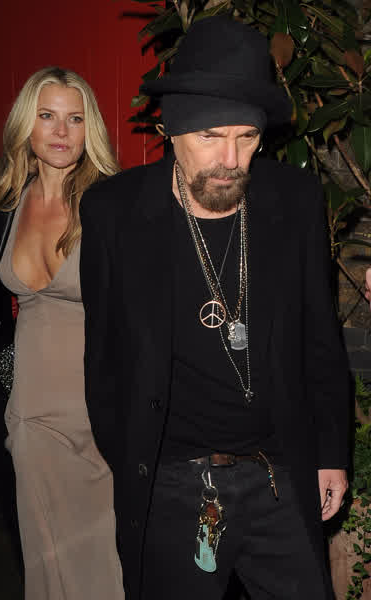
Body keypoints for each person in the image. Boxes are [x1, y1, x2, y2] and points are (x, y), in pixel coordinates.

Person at [79, 16, 350, 600]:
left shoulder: (295, 199)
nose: (230, 158)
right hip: (172, 483)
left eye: (247, 137)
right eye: (209, 136)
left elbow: (320, 338)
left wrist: (330, 452)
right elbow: (103, 359)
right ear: (170, 130)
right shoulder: (112, 212)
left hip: (279, 473)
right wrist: (135, 463)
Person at [0, 66, 124, 600]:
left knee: (106, 565)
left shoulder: (112, 205)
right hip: (29, 416)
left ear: (91, 130)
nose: (61, 131)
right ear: (27, 125)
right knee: (46, 563)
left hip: (99, 416)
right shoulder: (5, 205)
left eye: (75, 119)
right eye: (47, 116)